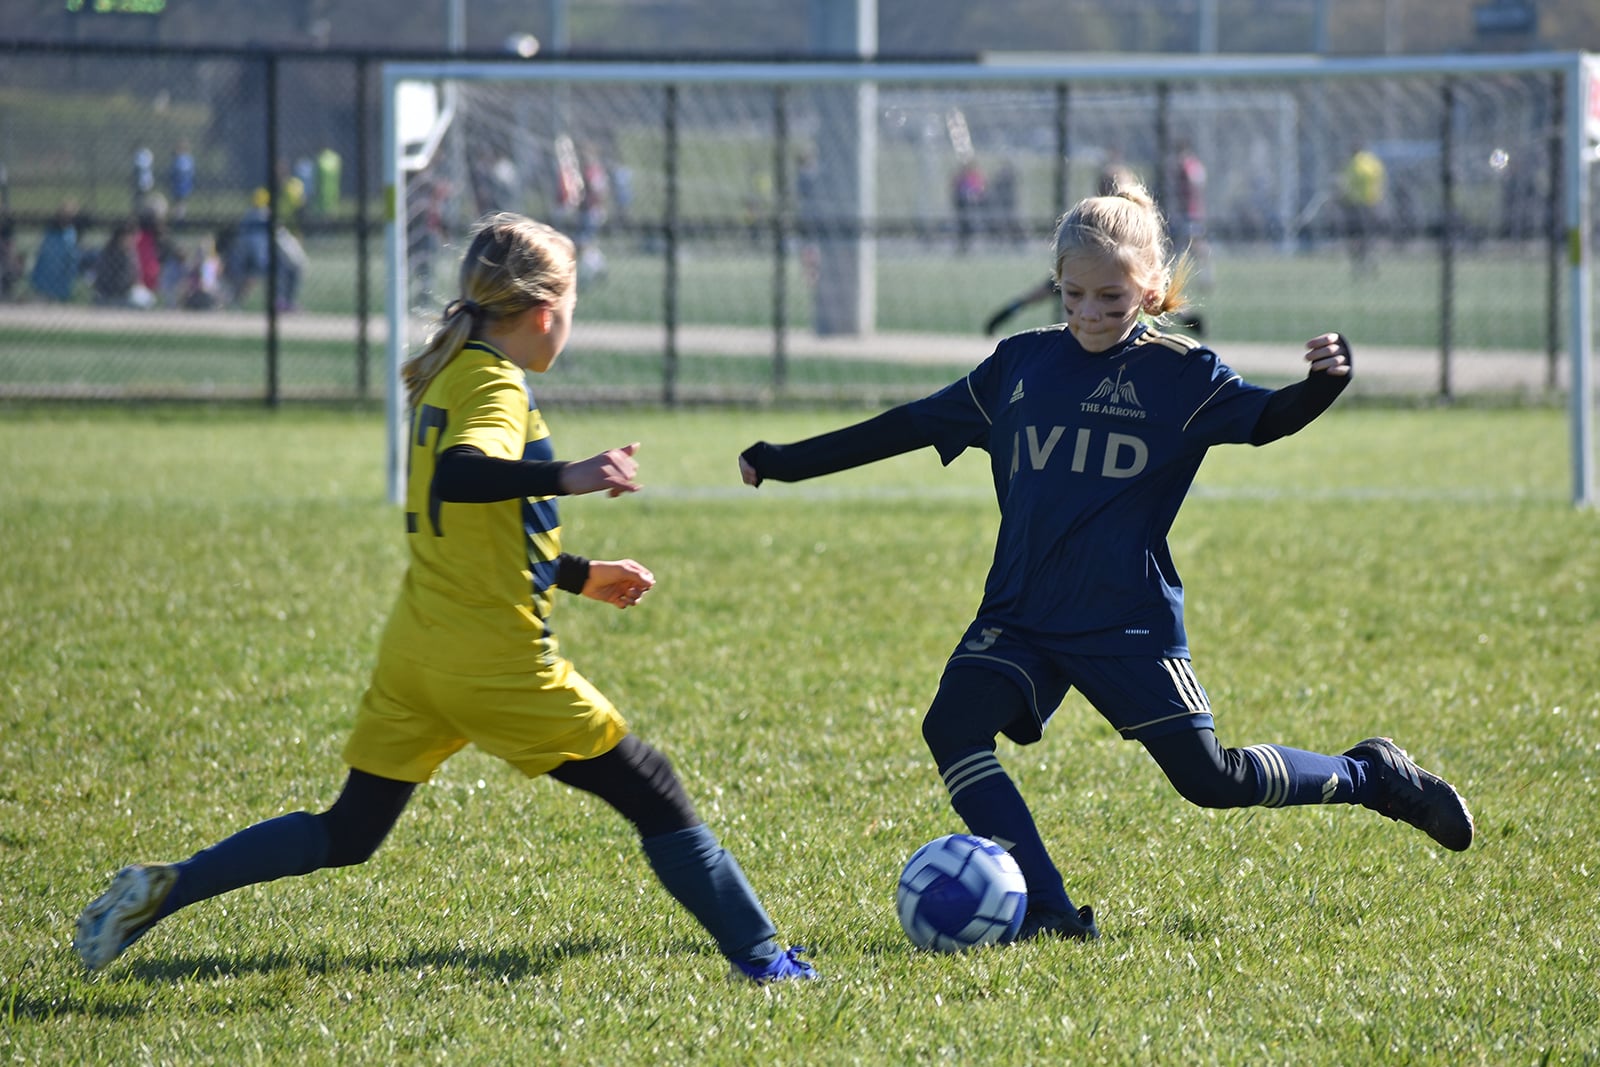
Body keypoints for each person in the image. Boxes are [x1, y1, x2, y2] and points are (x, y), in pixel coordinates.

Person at [74, 212, 817, 986]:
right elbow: (464, 476)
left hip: (418, 649)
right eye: (570, 309)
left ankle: (164, 888)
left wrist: (578, 571)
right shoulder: (495, 384)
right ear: (543, 313)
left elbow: (484, 527)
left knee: (351, 829)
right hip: (491, 662)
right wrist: (568, 474)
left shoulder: (451, 370)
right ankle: (767, 961)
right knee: (654, 787)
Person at [738, 180, 1472, 943]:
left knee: (1210, 781)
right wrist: (787, 461)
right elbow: (908, 424)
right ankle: (1049, 911)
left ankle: (1370, 775)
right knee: (951, 727)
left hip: (1124, 620)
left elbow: (1265, 419)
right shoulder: (1018, 367)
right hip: (1021, 611)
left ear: (1151, 289)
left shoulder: (1180, 375)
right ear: (1056, 284)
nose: (1089, 313)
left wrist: (1325, 385)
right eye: (1074, 296)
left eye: (1111, 299)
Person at [1340, 144, 1386, 271]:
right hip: (1372, 203)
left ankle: (1359, 262)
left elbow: (1346, 185)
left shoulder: (1353, 165)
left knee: (1355, 236)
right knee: (1368, 236)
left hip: (1355, 205)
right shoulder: (1372, 162)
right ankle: (1369, 258)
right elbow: (1380, 179)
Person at [31, 201, 82, 302]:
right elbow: (42, 253)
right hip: (46, 271)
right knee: (44, 297)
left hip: (62, 273)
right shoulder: (51, 232)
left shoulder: (70, 233)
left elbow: (71, 256)